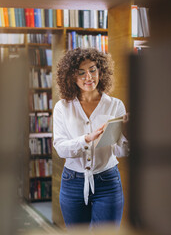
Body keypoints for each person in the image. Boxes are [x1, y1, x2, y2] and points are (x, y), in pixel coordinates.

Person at [53, 48, 129, 229]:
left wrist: (123, 133)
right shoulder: (62, 107)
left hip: (108, 182)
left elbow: (121, 151)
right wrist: (87, 139)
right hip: (72, 182)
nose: (89, 77)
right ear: (71, 77)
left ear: (100, 70)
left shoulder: (115, 105)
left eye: (93, 70)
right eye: (81, 73)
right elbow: (61, 148)